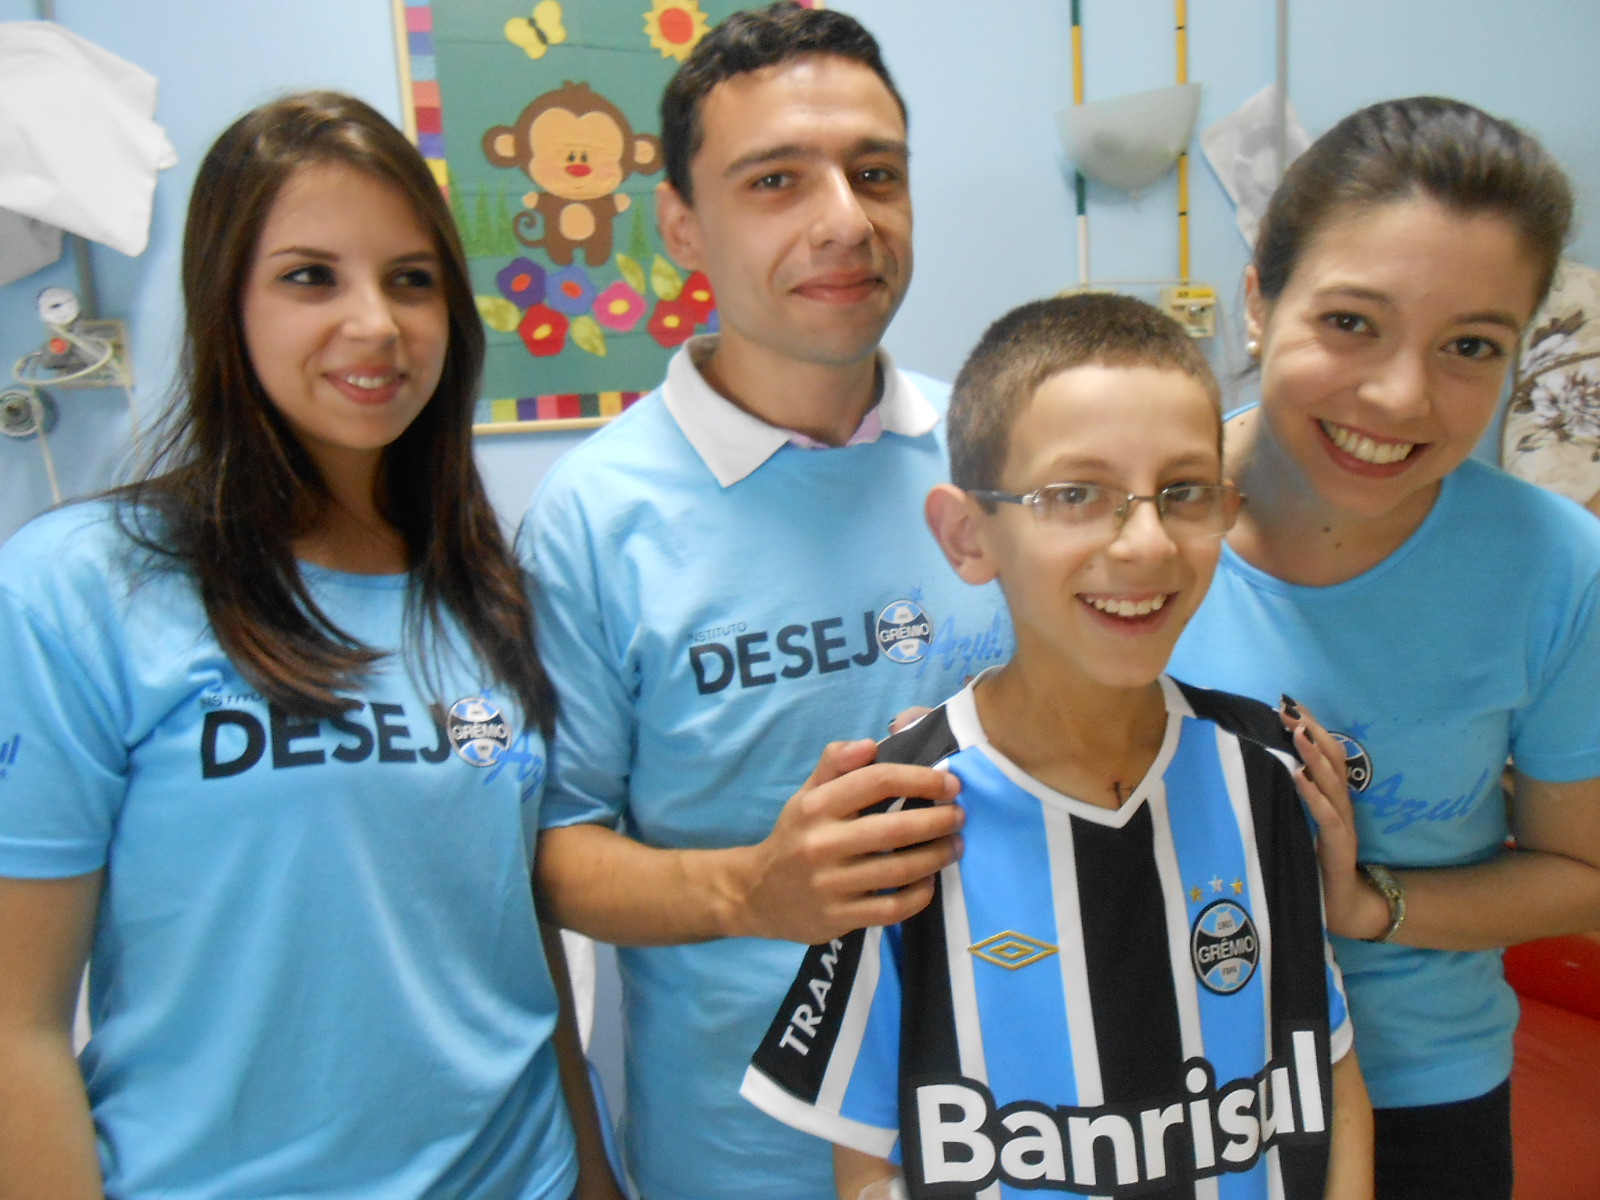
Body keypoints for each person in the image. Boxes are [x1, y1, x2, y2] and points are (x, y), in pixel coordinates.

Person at [0, 92, 620, 1200]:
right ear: (224, 301)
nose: (376, 324)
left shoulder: (487, 591)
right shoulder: (81, 587)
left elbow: (510, 933)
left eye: (411, 279)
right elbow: (16, 1027)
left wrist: (591, 1174)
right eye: (309, 276)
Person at [520, 6, 1013, 1198]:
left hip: (1028, 1113)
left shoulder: (997, 448)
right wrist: (753, 889)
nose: (843, 219)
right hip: (740, 1149)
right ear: (682, 226)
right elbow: (552, 853)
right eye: (776, 180)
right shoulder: (595, 516)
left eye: (875, 173)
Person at [744, 292, 1374, 1200]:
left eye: (1184, 492)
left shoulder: (1270, 770)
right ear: (968, 535)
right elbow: (871, 1159)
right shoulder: (902, 811)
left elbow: (1329, 1073)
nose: (1147, 542)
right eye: (1076, 495)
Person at [1166, 97, 1600, 1200]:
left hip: (1421, 1095)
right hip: (1133, 1085)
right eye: (1351, 321)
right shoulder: (1131, 529)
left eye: (1469, 346)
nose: (1401, 396)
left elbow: (1579, 875)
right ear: (1260, 298)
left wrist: (1375, 904)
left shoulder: (1552, 568)